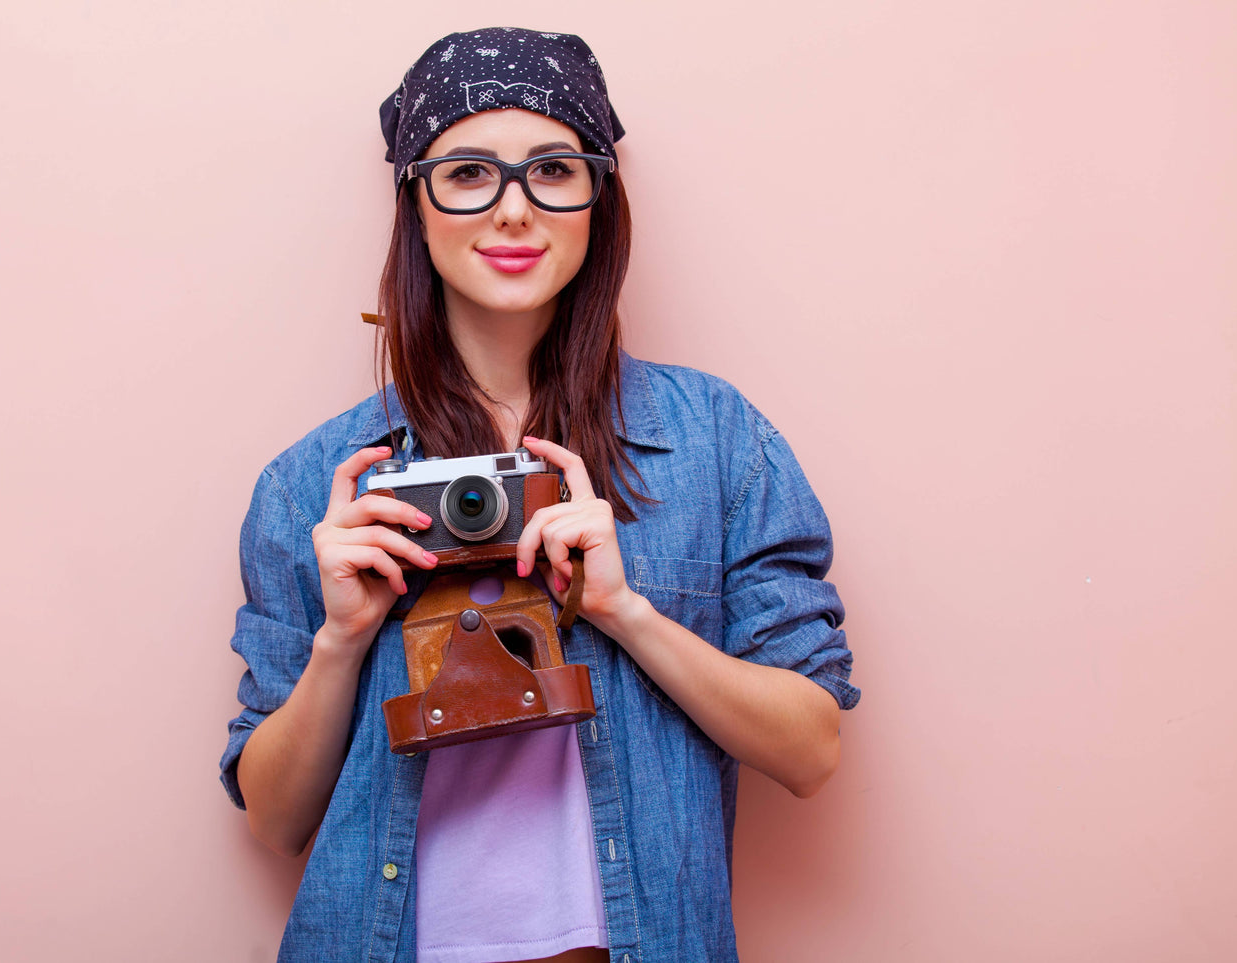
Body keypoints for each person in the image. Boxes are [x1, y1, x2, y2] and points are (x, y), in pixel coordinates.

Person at [219, 27, 860, 963]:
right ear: (415, 202)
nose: (512, 211)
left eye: (553, 169)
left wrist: (624, 610)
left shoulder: (718, 443)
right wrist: (341, 638)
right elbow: (276, 821)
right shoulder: (315, 486)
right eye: (467, 172)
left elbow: (810, 750)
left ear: (599, 199)